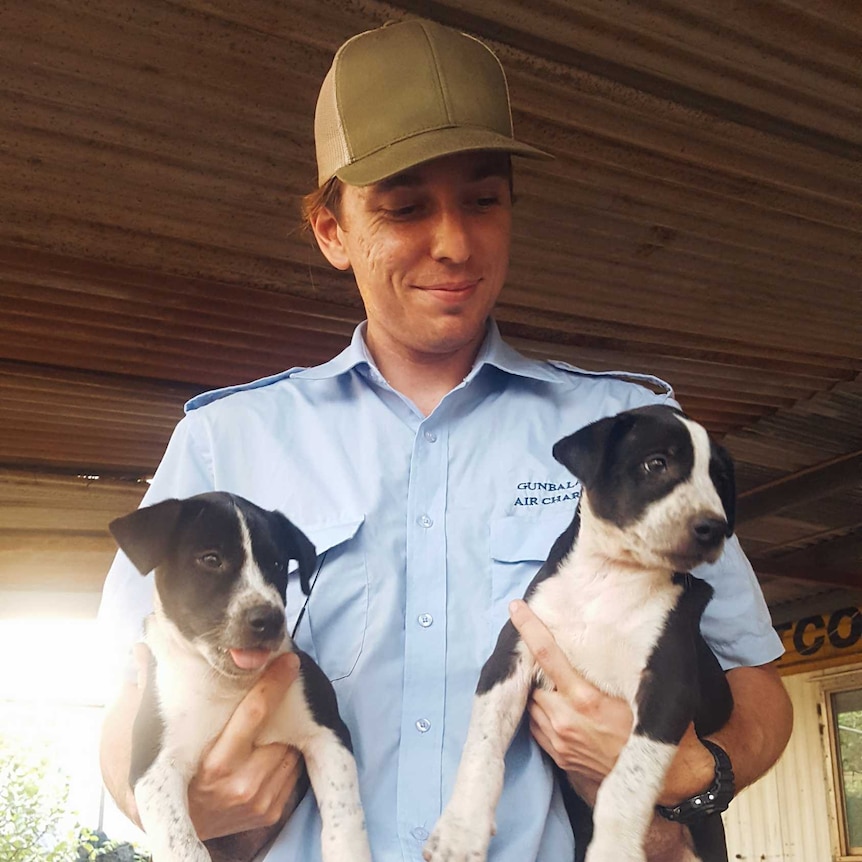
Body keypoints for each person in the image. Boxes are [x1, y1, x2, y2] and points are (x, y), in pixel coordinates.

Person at [98, 18, 792, 862]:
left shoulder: (628, 436)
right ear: (331, 230)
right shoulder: (225, 443)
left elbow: (758, 690)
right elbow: (124, 710)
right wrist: (189, 809)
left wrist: (696, 774)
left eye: (483, 200)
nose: (455, 243)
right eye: (404, 207)